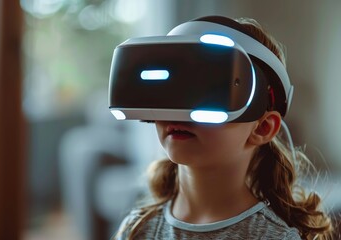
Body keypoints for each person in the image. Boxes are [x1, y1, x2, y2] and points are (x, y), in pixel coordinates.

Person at [110, 15, 333, 240]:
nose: (180, 112)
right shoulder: (137, 229)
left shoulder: (275, 237)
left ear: (262, 128)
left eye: (207, 92)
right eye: (171, 91)